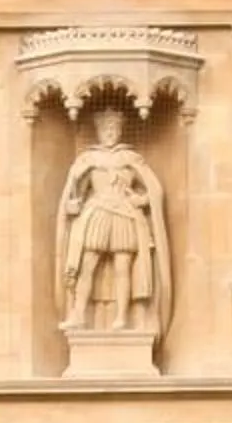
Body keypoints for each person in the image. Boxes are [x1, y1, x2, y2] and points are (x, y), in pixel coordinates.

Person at [56, 104, 172, 338]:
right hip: (97, 213)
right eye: (105, 127)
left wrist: (143, 199)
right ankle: (78, 313)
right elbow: (74, 191)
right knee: (87, 265)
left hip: (124, 215)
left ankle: (121, 317)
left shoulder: (130, 157)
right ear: (98, 130)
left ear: (120, 130)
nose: (110, 131)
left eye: (114, 127)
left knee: (123, 267)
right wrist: (72, 201)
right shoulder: (88, 158)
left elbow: (154, 189)